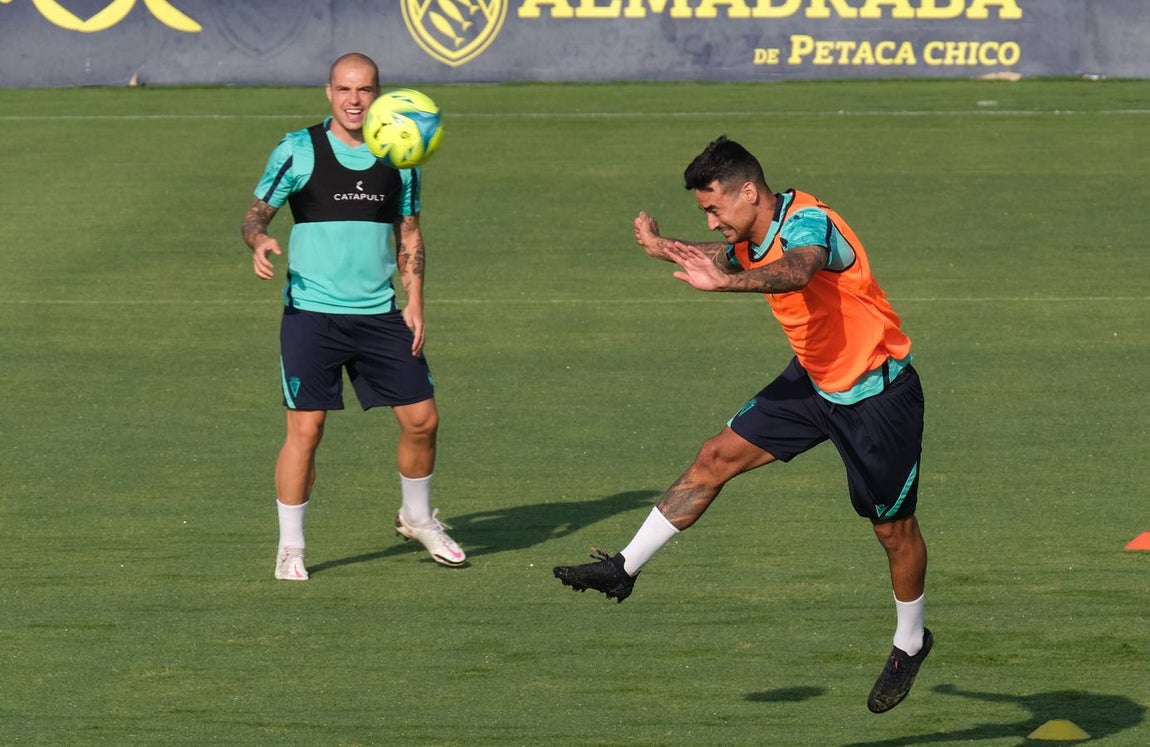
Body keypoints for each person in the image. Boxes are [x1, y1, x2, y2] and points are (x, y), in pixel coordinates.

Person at [554, 136, 931, 713]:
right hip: (810, 382)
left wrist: (722, 284)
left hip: (875, 395)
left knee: (892, 531)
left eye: (714, 208)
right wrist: (665, 249)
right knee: (715, 457)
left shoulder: (810, 226)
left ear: (748, 192)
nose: (710, 219)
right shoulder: (752, 233)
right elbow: (723, 256)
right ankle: (624, 568)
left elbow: (799, 271)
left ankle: (911, 641)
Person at [240, 52, 465, 580]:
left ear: (379, 94)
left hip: (379, 314)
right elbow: (255, 214)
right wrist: (259, 239)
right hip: (312, 315)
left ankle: (416, 516)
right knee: (307, 429)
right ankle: (291, 547)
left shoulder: (401, 154)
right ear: (329, 92)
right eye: (345, 90)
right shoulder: (299, 149)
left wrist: (414, 301)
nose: (355, 100)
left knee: (423, 420)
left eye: (365, 90)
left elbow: (408, 234)